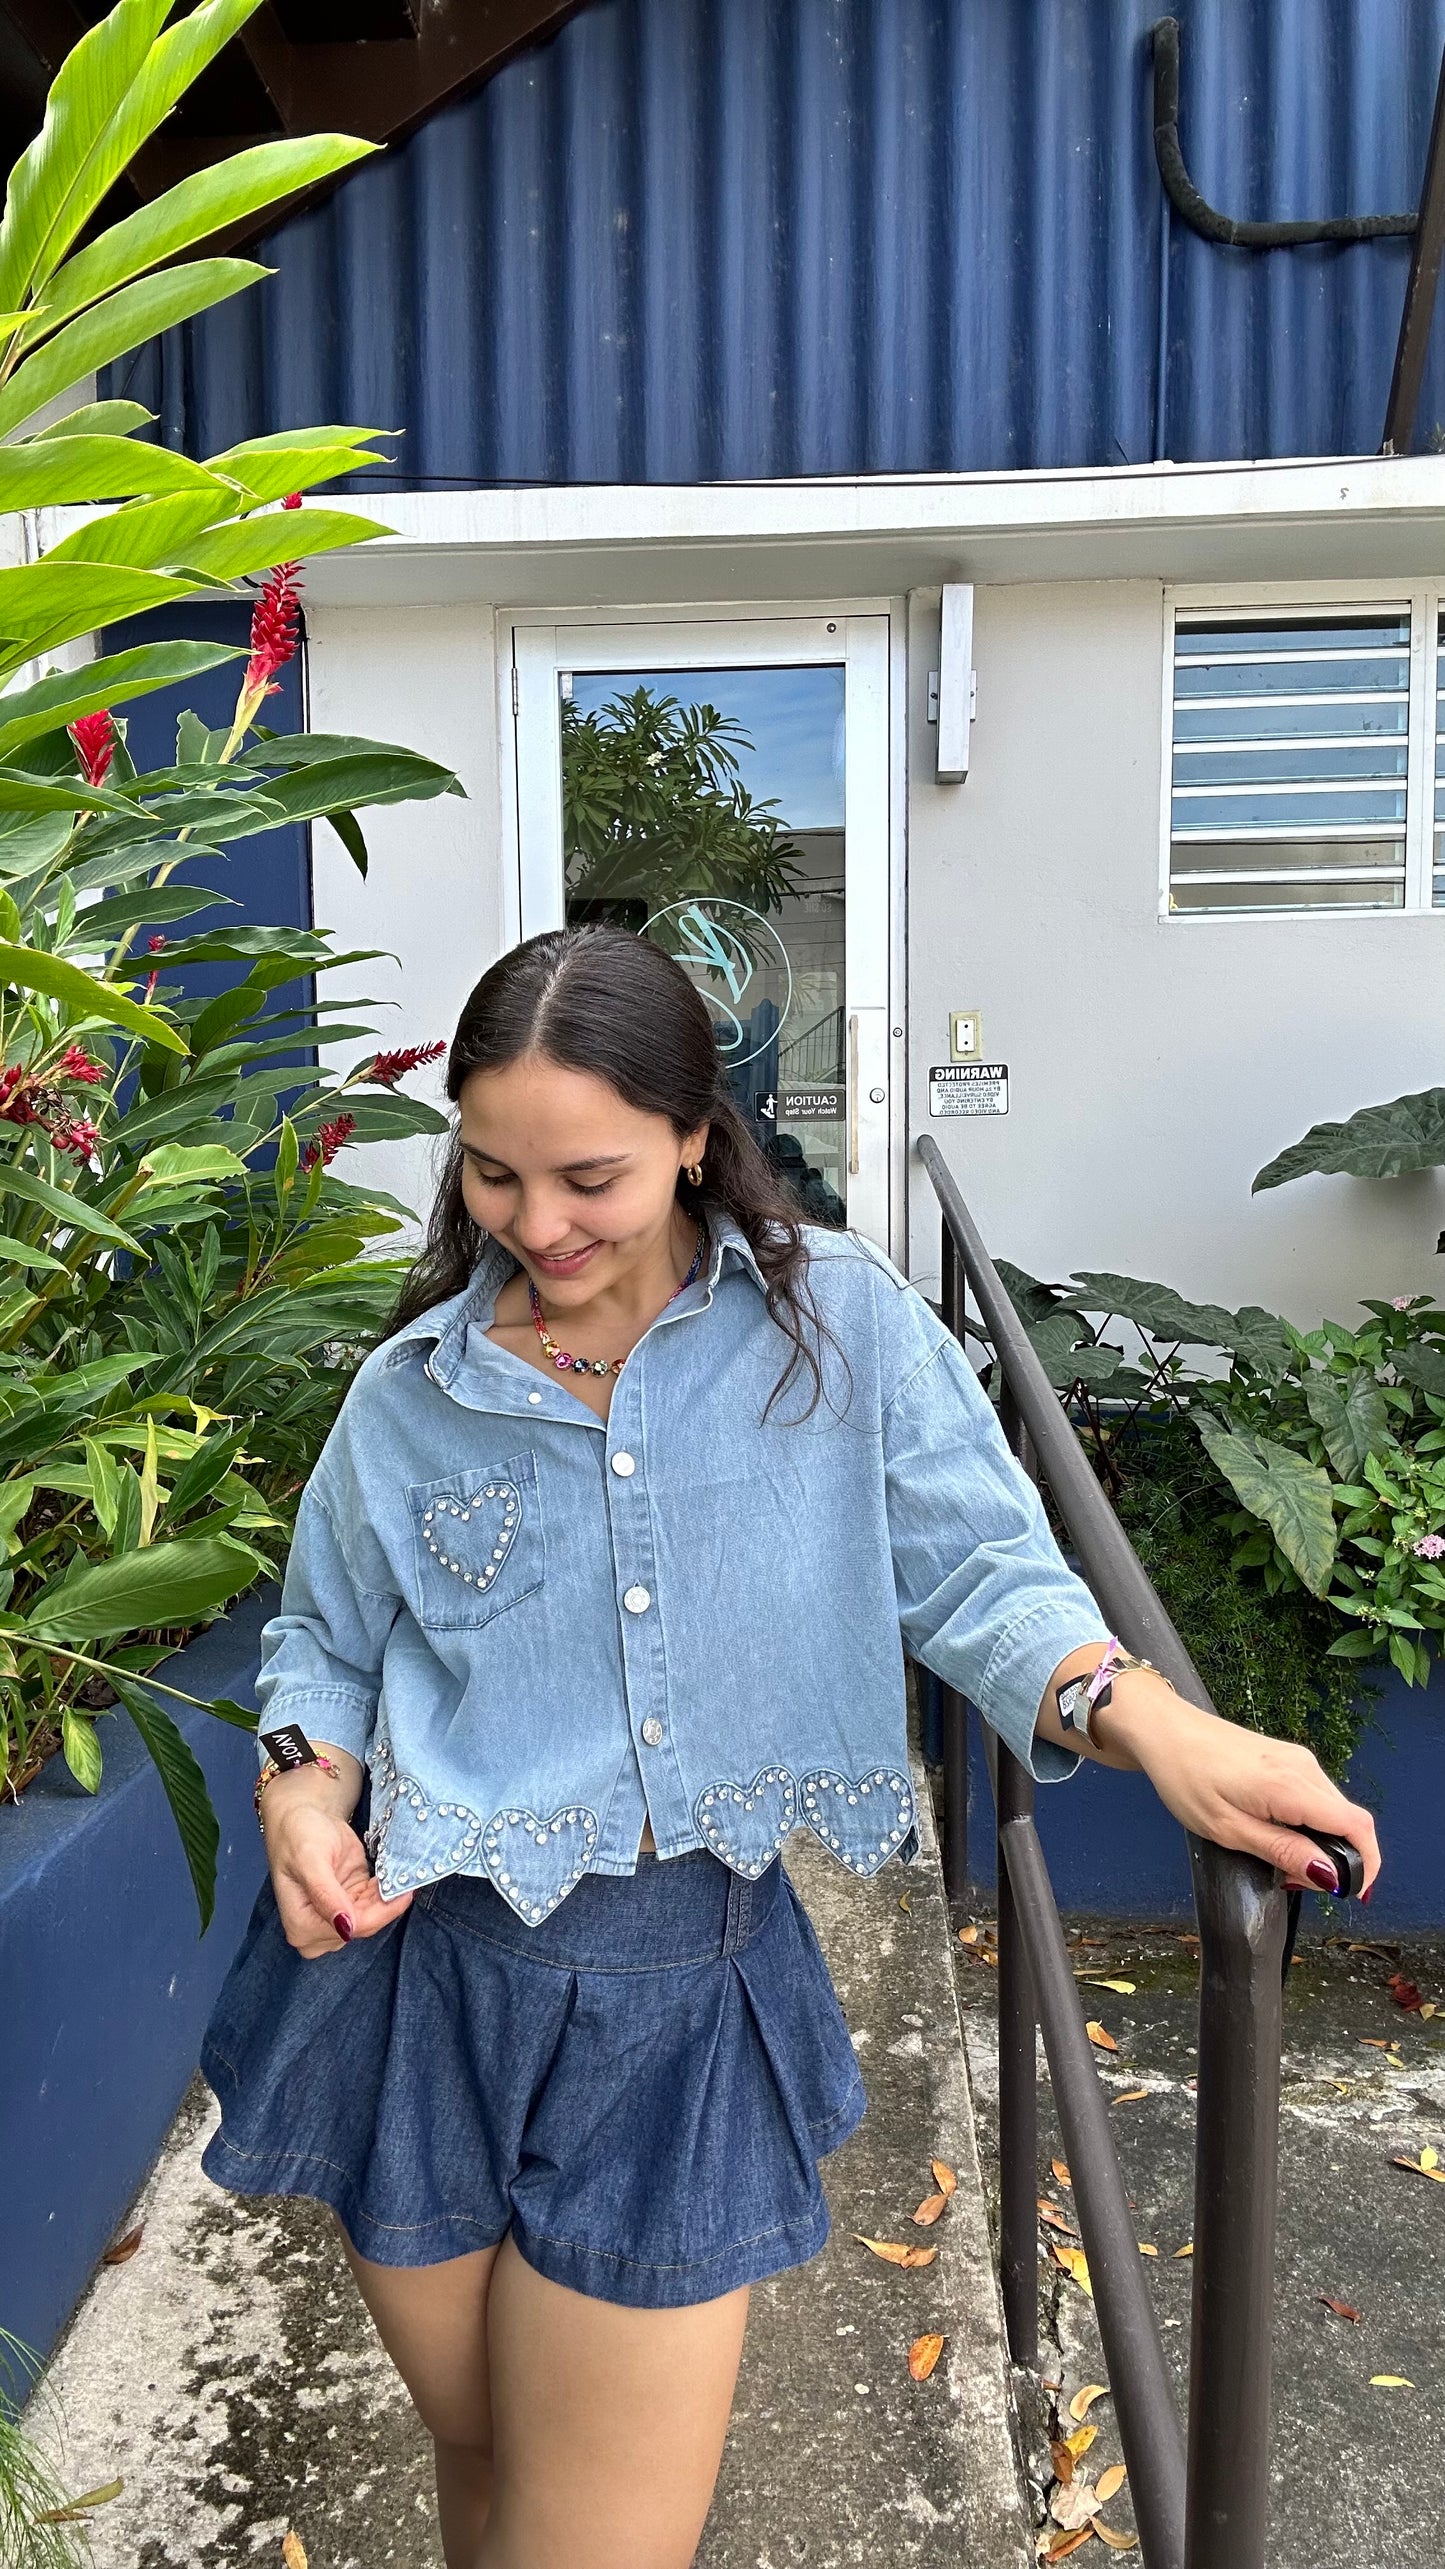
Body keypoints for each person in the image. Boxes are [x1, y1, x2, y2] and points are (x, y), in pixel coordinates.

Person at [198, 924, 1379, 2569]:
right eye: (489, 1176)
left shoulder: (841, 1335)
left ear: (697, 1135)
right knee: (477, 2472)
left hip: (671, 2007)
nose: (535, 1228)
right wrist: (302, 1787)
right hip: (414, 1986)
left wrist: (1156, 1723)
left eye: (589, 1177)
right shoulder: (415, 1390)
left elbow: (978, 1573)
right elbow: (326, 1637)